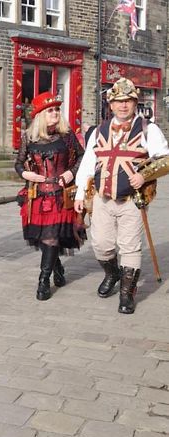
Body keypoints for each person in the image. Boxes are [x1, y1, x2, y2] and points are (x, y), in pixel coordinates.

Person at [74, 77, 169, 314]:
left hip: (132, 200)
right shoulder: (99, 130)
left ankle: (127, 294)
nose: (123, 105)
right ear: (111, 104)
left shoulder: (149, 129)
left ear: (135, 102)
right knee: (101, 245)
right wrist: (78, 194)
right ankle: (112, 273)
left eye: (128, 100)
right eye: (118, 101)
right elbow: (88, 163)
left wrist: (144, 176)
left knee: (130, 247)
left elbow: (165, 159)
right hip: (102, 198)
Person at [15, 91, 85, 301]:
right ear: (40, 115)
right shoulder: (29, 137)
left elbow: (82, 157)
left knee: (52, 235)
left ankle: (43, 280)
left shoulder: (66, 135)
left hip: (60, 195)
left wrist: (70, 173)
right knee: (44, 236)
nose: (55, 112)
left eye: (56, 109)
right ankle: (57, 266)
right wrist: (25, 173)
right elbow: (18, 163)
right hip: (36, 195)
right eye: (50, 110)